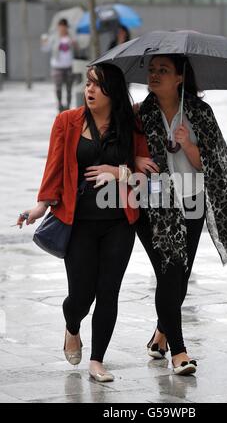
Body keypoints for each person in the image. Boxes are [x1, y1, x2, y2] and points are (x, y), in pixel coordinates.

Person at [135, 54, 227, 376]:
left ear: (180, 77)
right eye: (152, 70)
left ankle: (160, 336)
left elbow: (214, 163)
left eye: (163, 70)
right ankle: (179, 352)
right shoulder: (138, 114)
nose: (154, 75)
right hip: (152, 206)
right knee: (169, 273)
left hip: (191, 202)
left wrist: (189, 145)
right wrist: (136, 160)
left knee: (178, 278)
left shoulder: (199, 112)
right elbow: (124, 153)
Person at [16, 63, 147, 382]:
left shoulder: (130, 124)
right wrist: (41, 205)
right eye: (88, 83)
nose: (89, 90)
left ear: (112, 91)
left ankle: (97, 360)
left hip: (120, 220)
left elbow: (145, 176)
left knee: (108, 291)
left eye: (98, 85)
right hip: (78, 223)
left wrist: (120, 172)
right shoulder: (67, 121)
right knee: (81, 296)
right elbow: (54, 167)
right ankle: (72, 326)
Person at [41, 18, 77, 112]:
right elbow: (46, 49)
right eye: (60, 27)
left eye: (63, 27)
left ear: (66, 27)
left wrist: (75, 44)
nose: (62, 29)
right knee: (58, 88)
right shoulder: (54, 37)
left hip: (69, 66)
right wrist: (44, 43)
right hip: (57, 66)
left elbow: (78, 48)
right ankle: (60, 105)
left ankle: (68, 106)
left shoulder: (71, 37)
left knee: (69, 88)